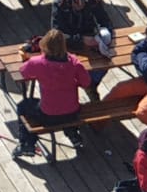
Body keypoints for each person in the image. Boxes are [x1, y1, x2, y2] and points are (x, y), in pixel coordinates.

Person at [12, 29, 90, 158]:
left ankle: (27, 143)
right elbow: (86, 82)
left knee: (23, 106)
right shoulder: (74, 62)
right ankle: (73, 134)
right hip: (72, 113)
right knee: (66, 106)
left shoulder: (37, 62)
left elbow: (23, 72)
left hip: (48, 115)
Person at [50, 0, 113, 99]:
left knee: (106, 62)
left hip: (91, 39)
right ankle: (72, 90)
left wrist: (104, 34)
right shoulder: (59, 5)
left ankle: (90, 85)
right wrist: (80, 40)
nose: (82, 2)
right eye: (77, 0)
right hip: (68, 44)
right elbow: (57, 34)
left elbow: (105, 21)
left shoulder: (93, 1)